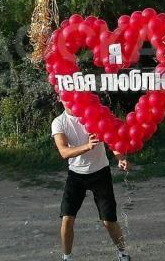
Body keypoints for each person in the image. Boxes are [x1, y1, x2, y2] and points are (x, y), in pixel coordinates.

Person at [52, 99, 131, 261]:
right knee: (67, 219)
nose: (68, 99)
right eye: (64, 95)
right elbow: (64, 152)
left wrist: (120, 158)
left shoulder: (92, 114)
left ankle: (123, 254)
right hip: (76, 175)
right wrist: (87, 146)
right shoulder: (59, 122)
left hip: (100, 173)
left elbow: (110, 138)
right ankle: (67, 257)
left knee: (108, 221)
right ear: (59, 98)